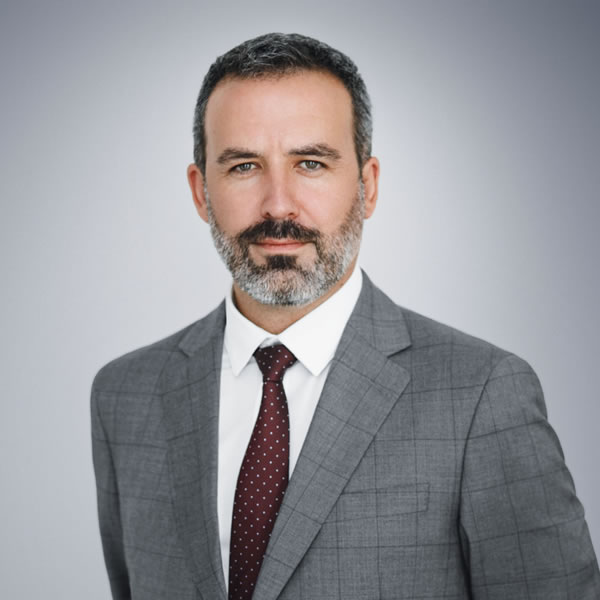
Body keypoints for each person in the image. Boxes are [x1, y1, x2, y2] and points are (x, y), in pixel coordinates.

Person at [91, 33, 600, 600]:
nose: (278, 204)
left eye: (310, 163)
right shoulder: (125, 396)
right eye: (244, 166)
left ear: (368, 186)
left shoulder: (483, 396)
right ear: (200, 191)